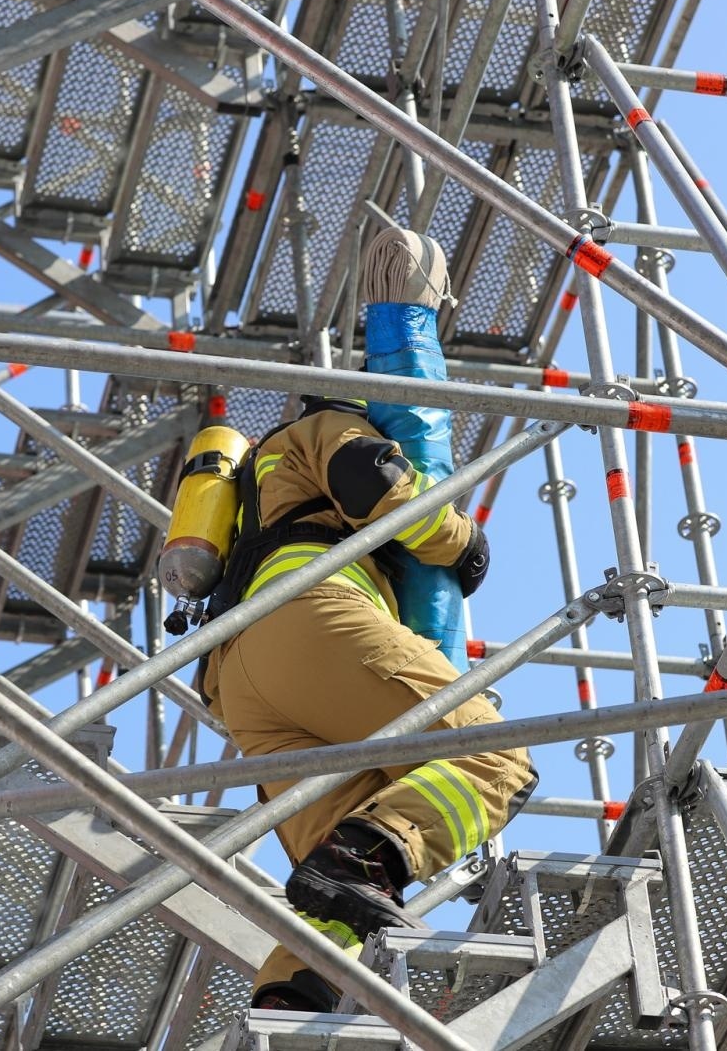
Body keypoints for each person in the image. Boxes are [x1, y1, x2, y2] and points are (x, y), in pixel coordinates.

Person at [201, 395, 537, 1013]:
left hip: (243, 680)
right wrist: (460, 541)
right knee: (490, 759)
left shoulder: (247, 492)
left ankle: (289, 1002)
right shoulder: (320, 428)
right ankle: (363, 857)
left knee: (340, 894)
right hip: (312, 617)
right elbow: (375, 486)